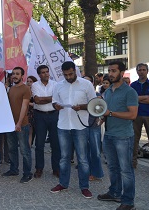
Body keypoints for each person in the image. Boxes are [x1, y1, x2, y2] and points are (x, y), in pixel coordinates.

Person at [50, 61, 97, 199]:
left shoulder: (86, 84)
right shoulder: (58, 85)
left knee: (82, 158)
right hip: (63, 126)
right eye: (65, 75)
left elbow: (93, 104)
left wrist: (81, 107)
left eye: (70, 74)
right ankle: (63, 184)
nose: (68, 77)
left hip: (80, 126)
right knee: (64, 158)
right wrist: (56, 106)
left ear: (75, 71)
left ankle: (84, 187)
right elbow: (54, 101)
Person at [97, 61, 138, 210]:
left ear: (122, 72)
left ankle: (128, 201)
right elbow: (106, 111)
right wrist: (102, 118)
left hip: (123, 137)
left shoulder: (130, 92)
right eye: (109, 70)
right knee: (113, 167)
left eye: (114, 71)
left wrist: (111, 113)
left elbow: (133, 114)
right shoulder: (107, 91)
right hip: (108, 135)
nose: (111, 73)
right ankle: (114, 192)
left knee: (126, 170)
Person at [2, 67, 33, 184]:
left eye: (17, 74)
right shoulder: (11, 89)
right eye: (13, 74)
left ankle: (27, 173)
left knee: (25, 150)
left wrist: (19, 123)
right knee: (12, 148)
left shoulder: (25, 89)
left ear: (22, 76)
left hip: (22, 124)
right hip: (10, 124)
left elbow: (24, 107)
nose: (14, 76)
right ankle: (13, 169)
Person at [31, 65, 60, 179]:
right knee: (39, 144)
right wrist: (51, 98)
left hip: (54, 115)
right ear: (39, 74)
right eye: (43, 72)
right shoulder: (35, 85)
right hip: (40, 116)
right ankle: (39, 168)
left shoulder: (55, 84)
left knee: (55, 143)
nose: (46, 74)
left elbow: (57, 99)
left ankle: (56, 168)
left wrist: (44, 99)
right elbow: (37, 100)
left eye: (47, 72)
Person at [130, 63, 149, 169]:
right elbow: (132, 99)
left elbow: (136, 98)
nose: (141, 71)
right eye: (139, 70)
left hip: (148, 114)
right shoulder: (133, 85)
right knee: (134, 140)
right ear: (137, 71)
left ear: (147, 71)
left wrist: (138, 98)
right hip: (136, 114)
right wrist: (145, 97)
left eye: (143, 69)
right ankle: (133, 163)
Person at [26, 75, 38, 147]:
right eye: (27, 81)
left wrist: (28, 103)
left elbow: (36, 104)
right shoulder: (25, 91)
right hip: (26, 113)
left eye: (31, 81)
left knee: (32, 131)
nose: (29, 83)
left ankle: (30, 145)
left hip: (33, 113)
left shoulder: (35, 92)